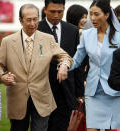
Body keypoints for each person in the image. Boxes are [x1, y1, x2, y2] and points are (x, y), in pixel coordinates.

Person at [0, 4, 73, 131]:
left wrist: (64, 66)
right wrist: (3, 76)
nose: (32, 23)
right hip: (17, 97)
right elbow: (0, 65)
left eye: (35, 19)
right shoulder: (7, 41)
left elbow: (65, 56)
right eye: (28, 20)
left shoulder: (48, 39)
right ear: (21, 20)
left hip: (42, 97)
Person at [69, 0, 120, 130]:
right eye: (90, 14)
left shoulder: (119, 36)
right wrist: (64, 65)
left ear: (107, 15)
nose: (92, 18)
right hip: (93, 92)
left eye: (96, 14)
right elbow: (77, 59)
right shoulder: (86, 35)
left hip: (116, 92)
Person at [38, 0, 85, 131]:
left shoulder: (72, 30)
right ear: (45, 9)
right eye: (52, 11)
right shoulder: (36, 29)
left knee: (63, 127)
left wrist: (79, 92)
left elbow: (78, 62)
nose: (56, 15)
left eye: (60, 12)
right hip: (43, 90)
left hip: (67, 90)